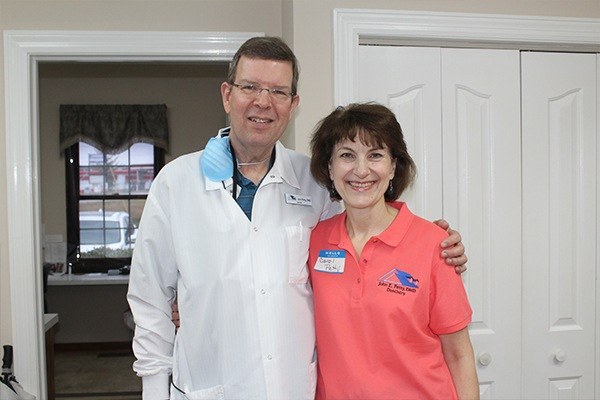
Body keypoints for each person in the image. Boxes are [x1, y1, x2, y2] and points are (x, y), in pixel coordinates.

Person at [128, 36, 467, 400]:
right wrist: (154, 387)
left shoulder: (315, 183)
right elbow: (150, 300)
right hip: (208, 386)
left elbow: (365, 236)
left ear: (293, 104)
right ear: (227, 95)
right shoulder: (176, 183)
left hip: (293, 388)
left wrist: (436, 247)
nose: (263, 102)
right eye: (250, 87)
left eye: (278, 91)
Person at [308, 102, 478, 399]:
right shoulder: (315, 241)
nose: (361, 170)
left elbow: (459, 356)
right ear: (329, 168)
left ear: (393, 166)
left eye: (375, 155)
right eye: (347, 155)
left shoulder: (435, 245)